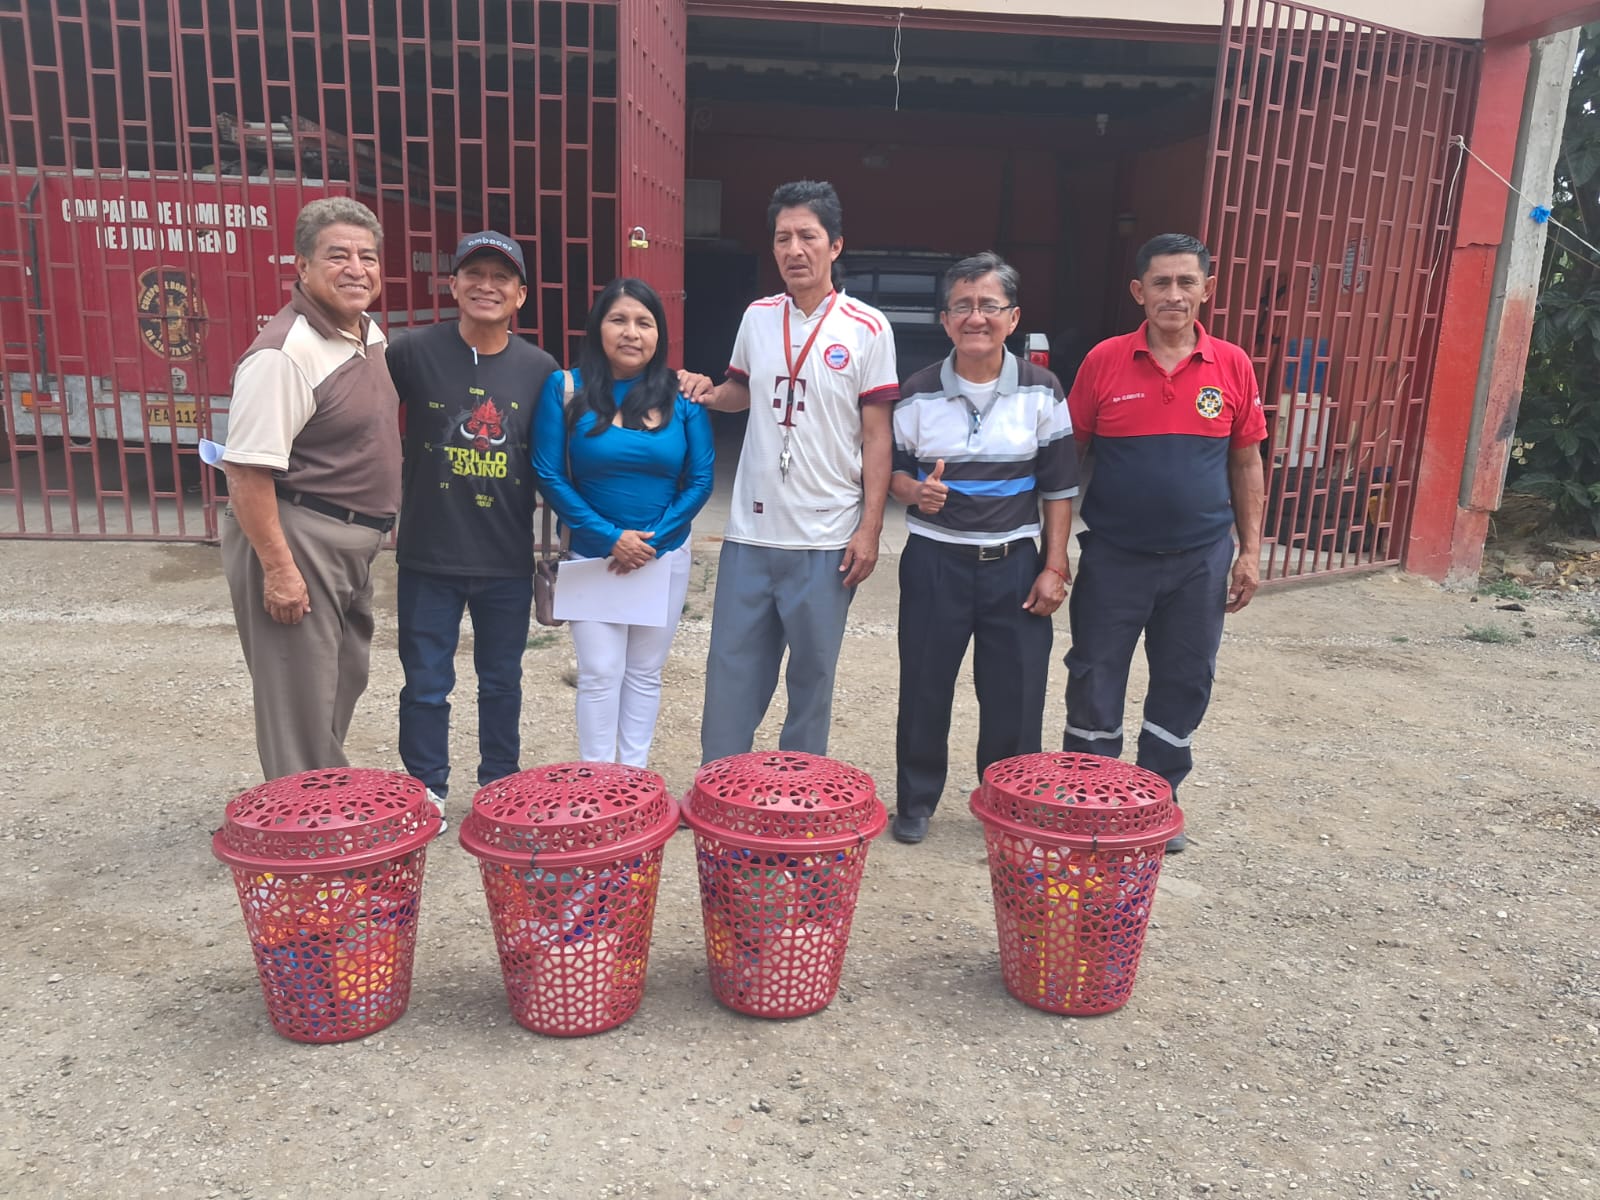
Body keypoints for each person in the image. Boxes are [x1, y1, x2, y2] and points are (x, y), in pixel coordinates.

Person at [1062, 233, 1266, 852]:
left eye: (1186, 282)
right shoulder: (1104, 361)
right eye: (1160, 282)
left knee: (1185, 679)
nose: (1173, 295)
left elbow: (1246, 463)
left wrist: (1250, 552)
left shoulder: (1232, 365)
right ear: (1138, 291)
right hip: (1114, 556)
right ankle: (1093, 795)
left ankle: (1155, 799)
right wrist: (1054, 549)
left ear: (1207, 289)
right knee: (1095, 675)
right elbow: (1070, 458)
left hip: (1200, 561)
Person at [687, 179, 898, 762]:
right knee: (731, 673)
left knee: (812, 678)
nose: (794, 249)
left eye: (808, 236)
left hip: (826, 537)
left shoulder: (867, 327)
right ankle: (718, 785)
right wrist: (710, 393)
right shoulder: (758, 317)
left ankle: (800, 792)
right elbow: (741, 391)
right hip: (751, 533)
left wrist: (870, 528)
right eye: (783, 238)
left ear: (836, 245)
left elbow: (877, 436)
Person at [888, 252, 1079, 845]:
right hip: (935, 562)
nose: (976, 317)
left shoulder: (1043, 391)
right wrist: (915, 492)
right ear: (945, 320)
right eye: (963, 306)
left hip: (1014, 565)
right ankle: (916, 801)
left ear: (1013, 317)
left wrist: (1054, 565)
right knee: (924, 686)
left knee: (1015, 694)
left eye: (989, 306)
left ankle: (1009, 802)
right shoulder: (916, 393)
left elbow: (1059, 488)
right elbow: (891, 474)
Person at [218, 197, 401, 779]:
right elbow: (246, 472)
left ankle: (314, 796)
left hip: (350, 541)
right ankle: (305, 815)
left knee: (337, 682)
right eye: (337, 256)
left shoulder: (363, 331)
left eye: (368, 257)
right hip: (301, 536)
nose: (356, 269)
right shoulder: (283, 354)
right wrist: (279, 569)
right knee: (298, 700)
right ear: (302, 266)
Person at [387, 231, 557, 824]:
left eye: (501, 277)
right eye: (475, 274)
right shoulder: (411, 353)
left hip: (504, 556)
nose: (487, 286)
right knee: (425, 683)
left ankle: (498, 786)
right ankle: (426, 790)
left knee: (501, 681)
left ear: (521, 295)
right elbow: (364, 414)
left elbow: (556, 456)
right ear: (453, 285)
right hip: (428, 554)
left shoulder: (540, 369)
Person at [531, 278, 714, 766]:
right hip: (591, 555)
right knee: (598, 673)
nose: (631, 332)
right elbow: (548, 472)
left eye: (644, 322)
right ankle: (598, 784)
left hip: (663, 556)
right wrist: (611, 538)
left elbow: (700, 479)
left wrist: (654, 541)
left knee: (645, 673)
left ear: (659, 335)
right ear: (598, 328)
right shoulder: (564, 388)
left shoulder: (682, 396)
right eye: (619, 320)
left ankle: (634, 781)